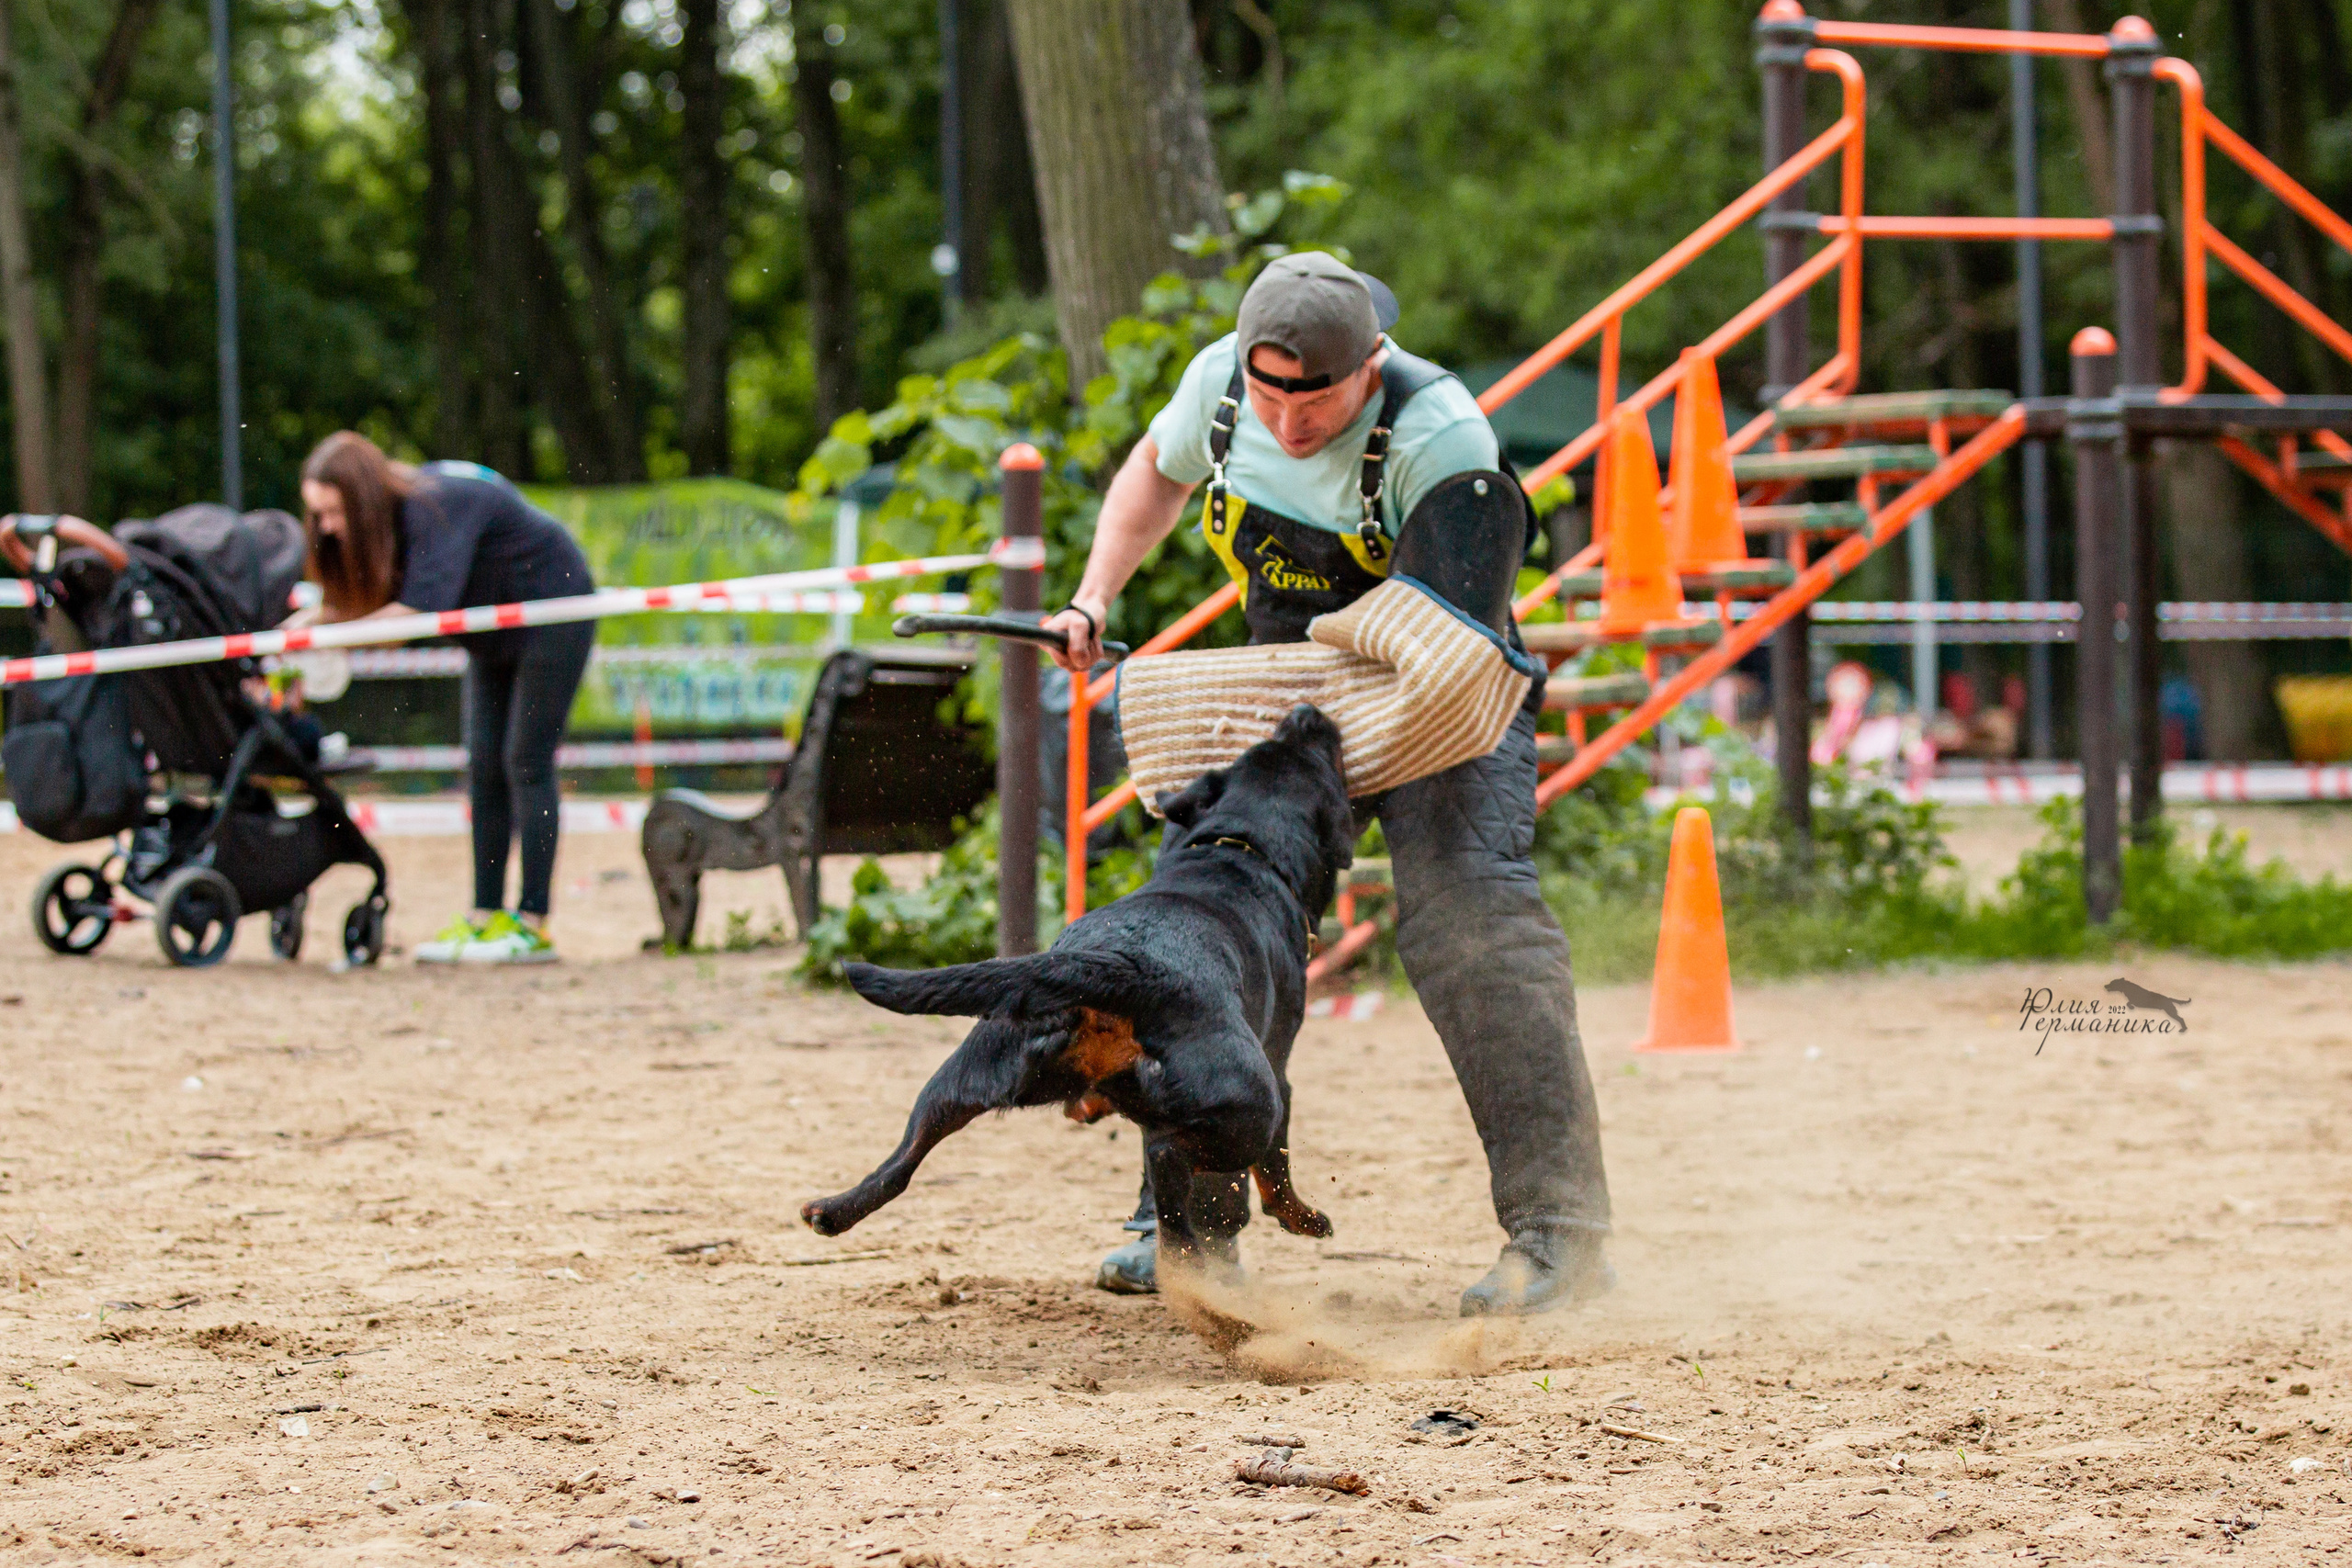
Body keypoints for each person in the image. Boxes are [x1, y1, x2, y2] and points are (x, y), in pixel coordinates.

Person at [1042, 253, 1614, 1316]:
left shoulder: (1441, 436)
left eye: (1315, 399)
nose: (1288, 423)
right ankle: (1186, 1231)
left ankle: (1561, 1241)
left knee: (1473, 925)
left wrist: (1340, 673)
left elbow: (1456, 627)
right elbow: (1155, 472)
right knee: (1199, 926)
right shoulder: (1219, 382)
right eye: (1268, 396)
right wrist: (1091, 594)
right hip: (1288, 681)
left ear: (1371, 365)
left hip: (1437, 679)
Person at [296, 431, 596, 964]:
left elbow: (410, 617)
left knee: (524, 761)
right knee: (483, 765)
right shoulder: (391, 529)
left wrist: (325, 633)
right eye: (318, 516)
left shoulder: (436, 506)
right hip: (492, 636)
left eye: (335, 513)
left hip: (554, 614)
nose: (327, 528)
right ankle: (485, 918)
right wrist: (309, 624)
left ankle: (531, 923)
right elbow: (373, 606)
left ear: (362, 500)